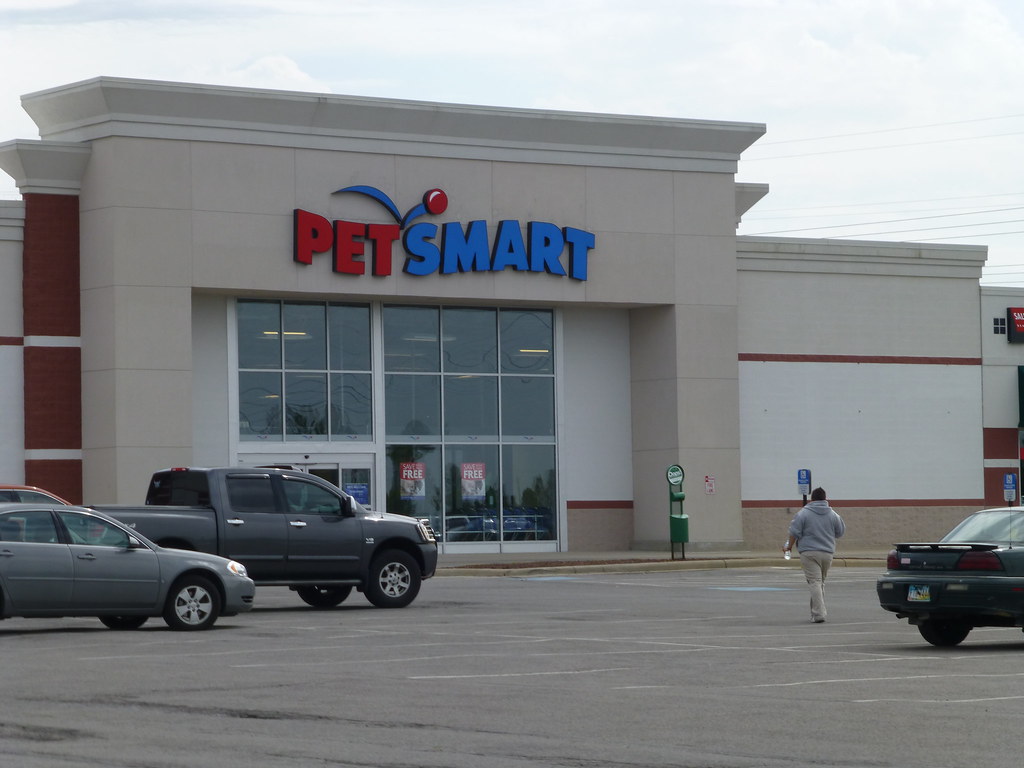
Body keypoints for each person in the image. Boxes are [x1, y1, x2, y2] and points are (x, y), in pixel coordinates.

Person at [784, 487, 845, 623]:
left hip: (809, 552)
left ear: (812, 499)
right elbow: (840, 532)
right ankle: (815, 612)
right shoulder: (833, 514)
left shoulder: (803, 514)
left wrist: (789, 547)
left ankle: (818, 614)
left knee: (815, 582)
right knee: (819, 583)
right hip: (827, 553)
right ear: (825, 498)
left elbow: (794, 532)